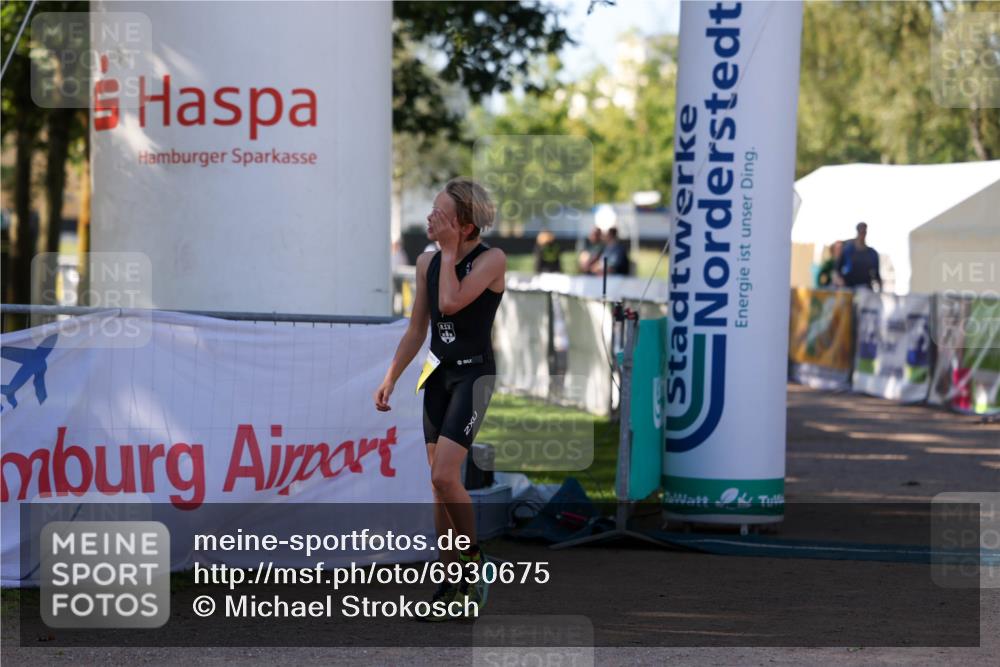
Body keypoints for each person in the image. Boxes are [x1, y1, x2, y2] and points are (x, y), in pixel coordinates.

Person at [373, 177, 505, 620]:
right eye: (431, 209)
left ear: (465, 226)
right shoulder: (426, 261)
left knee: (447, 476)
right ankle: (452, 584)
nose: (430, 218)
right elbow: (419, 328)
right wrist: (392, 376)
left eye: (441, 214)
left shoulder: (492, 259)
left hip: (474, 377)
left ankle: (473, 562)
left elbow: (451, 304)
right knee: (436, 485)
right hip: (438, 374)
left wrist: (449, 253)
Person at [837, 222, 882, 290]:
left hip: (865, 289)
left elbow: (877, 275)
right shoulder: (847, 250)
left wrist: (880, 290)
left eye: (864, 231)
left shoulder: (872, 253)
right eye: (860, 231)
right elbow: (837, 270)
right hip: (848, 288)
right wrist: (840, 281)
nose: (862, 234)